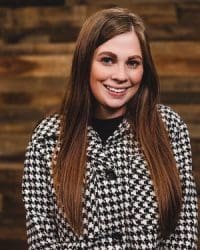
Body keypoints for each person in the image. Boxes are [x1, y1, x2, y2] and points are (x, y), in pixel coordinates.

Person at [22, 7, 198, 249]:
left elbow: (183, 237)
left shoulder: (169, 128)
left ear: (144, 69)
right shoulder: (47, 138)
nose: (121, 75)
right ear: (85, 63)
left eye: (133, 63)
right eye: (107, 60)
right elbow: (42, 242)